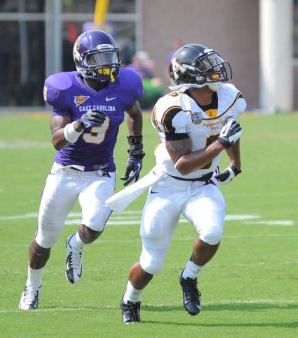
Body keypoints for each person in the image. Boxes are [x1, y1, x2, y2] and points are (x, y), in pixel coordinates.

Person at [115, 43, 245, 324]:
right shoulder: (173, 107)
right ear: (189, 75)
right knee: (151, 263)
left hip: (203, 185)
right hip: (169, 185)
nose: (215, 71)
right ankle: (130, 300)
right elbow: (183, 164)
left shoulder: (227, 96)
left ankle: (189, 277)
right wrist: (221, 144)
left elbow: (231, 130)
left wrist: (235, 165)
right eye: (205, 67)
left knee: (212, 232)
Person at [18, 29, 145, 310]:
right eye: (98, 58)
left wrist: (135, 151)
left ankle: (75, 244)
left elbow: (134, 113)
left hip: (100, 171)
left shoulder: (125, 84)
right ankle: (32, 286)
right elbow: (56, 140)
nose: (106, 64)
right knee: (45, 237)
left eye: (109, 56)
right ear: (81, 60)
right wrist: (78, 124)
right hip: (65, 170)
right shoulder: (64, 88)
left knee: (95, 224)